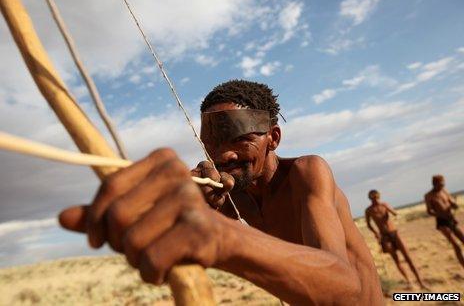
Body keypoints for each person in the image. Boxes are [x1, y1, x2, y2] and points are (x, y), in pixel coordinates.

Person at [59, 80, 383, 304]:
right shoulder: (227, 200)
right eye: (213, 142)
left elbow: (345, 289)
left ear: (273, 138)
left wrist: (220, 236)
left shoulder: (305, 173)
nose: (224, 155)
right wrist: (195, 212)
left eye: (240, 138)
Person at [365, 190, 426, 288]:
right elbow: (368, 225)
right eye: (373, 198)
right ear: (370, 198)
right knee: (396, 259)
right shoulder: (368, 210)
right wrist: (376, 233)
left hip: (394, 233)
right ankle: (409, 281)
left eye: (376, 197)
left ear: (379, 197)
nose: (375, 199)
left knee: (408, 258)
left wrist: (390, 211)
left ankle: (421, 282)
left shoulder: (384, 205)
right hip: (384, 237)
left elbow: (395, 213)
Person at [424, 175, 464, 268]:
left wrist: (454, 205)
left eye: (443, 183)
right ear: (434, 184)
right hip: (442, 222)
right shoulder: (428, 196)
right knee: (456, 245)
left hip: (451, 219)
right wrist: (439, 214)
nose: (443, 185)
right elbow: (429, 211)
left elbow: (452, 203)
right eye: (441, 183)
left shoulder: (444, 191)